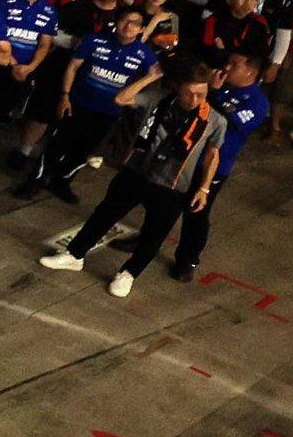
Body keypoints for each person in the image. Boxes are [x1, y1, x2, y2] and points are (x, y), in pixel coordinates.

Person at [39, 61, 224, 299]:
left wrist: (204, 188)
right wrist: (150, 77)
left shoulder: (215, 120)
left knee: (153, 235)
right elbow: (121, 99)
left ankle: (129, 273)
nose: (194, 100)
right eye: (189, 93)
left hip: (173, 184)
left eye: (201, 94)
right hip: (137, 170)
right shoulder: (159, 99)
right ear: (177, 87)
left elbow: (212, 156)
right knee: (104, 214)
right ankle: (75, 255)